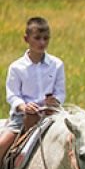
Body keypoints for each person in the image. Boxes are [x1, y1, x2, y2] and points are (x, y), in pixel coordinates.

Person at [0, 17, 65, 159]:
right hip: (22, 118)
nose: (42, 43)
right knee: (1, 145)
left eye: (46, 38)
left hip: (51, 115)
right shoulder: (17, 67)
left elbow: (60, 92)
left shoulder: (57, 64)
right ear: (26, 39)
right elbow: (12, 95)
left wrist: (55, 101)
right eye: (37, 38)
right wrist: (24, 107)